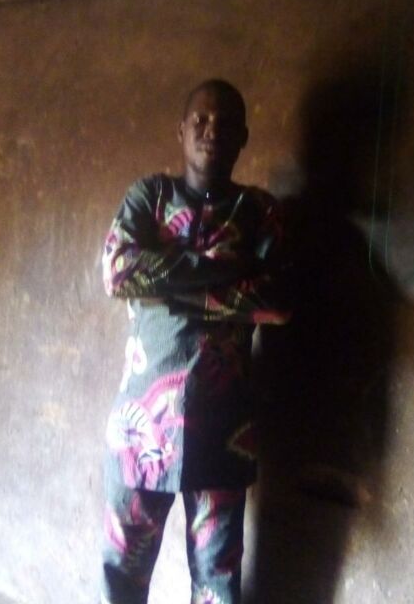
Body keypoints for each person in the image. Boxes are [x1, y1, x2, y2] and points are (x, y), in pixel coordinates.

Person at [100, 79, 289, 604]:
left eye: (226, 123)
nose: (212, 131)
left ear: (243, 137)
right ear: (180, 130)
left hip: (223, 429)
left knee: (216, 582)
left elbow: (276, 301)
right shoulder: (149, 197)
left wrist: (170, 289)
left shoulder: (259, 211)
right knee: (122, 572)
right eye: (201, 121)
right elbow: (118, 273)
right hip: (141, 428)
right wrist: (223, 271)